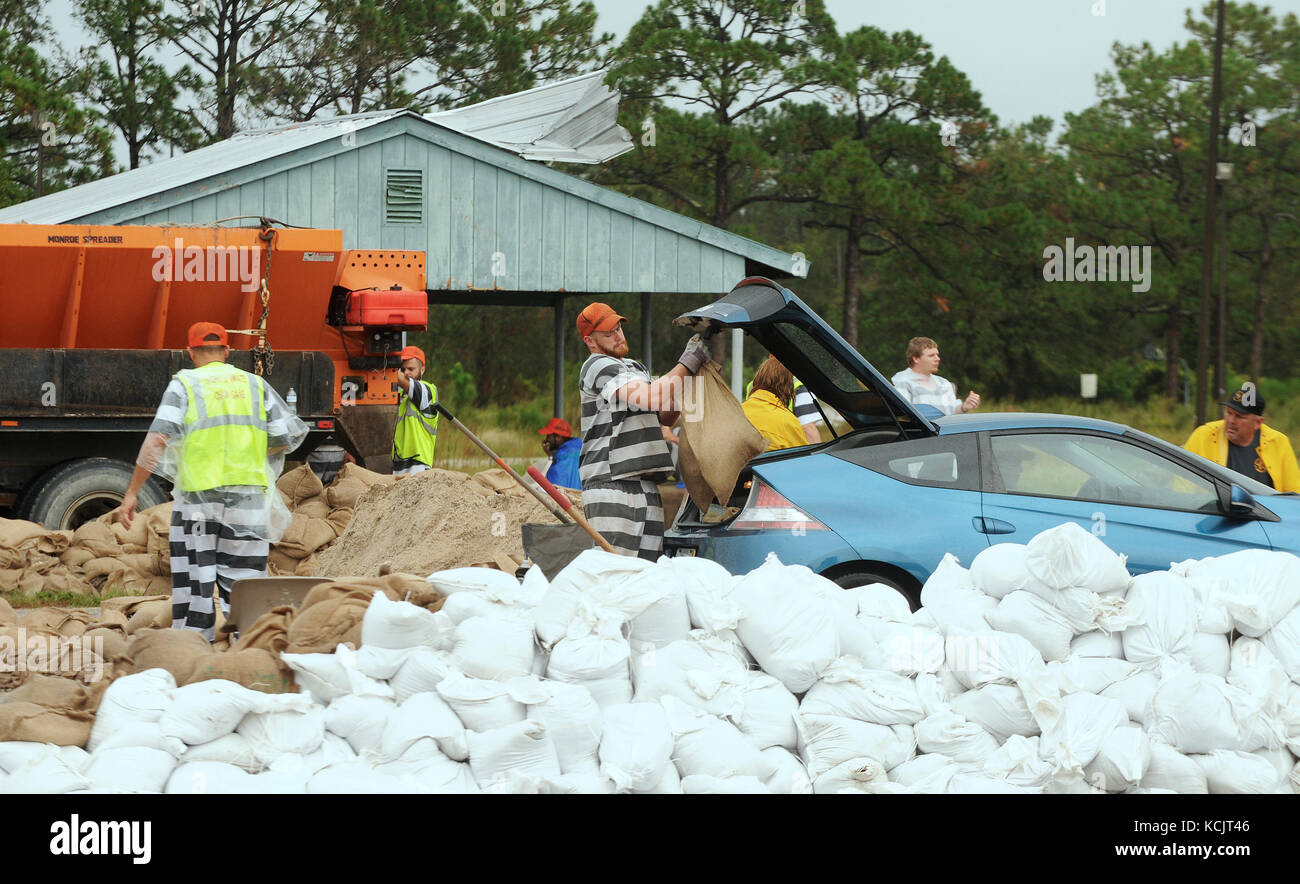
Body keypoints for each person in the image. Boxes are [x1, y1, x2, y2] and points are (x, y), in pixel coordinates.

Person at [112, 322, 306, 640]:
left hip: (198, 503)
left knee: (195, 587)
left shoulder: (185, 384)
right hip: (248, 501)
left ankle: (194, 657)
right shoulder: (255, 385)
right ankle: (251, 656)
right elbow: (283, 439)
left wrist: (132, 493)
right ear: (227, 351)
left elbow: (157, 440)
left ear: (190, 352)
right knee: (246, 588)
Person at [577, 301, 709, 560]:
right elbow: (649, 398)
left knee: (645, 575)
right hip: (611, 483)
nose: (618, 336)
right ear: (590, 341)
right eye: (608, 333)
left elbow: (665, 417)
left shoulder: (635, 368)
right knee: (615, 573)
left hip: (645, 483)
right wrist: (688, 361)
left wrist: (683, 383)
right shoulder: (597, 366)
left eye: (618, 329)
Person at [1184, 383, 1300, 491]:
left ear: (1258, 423)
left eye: (1239, 416)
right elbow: (1182, 485)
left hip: (1265, 511)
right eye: (1229, 413)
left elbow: (1294, 493)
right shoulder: (1203, 436)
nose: (1231, 421)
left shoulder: (1278, 442)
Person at [890, 336, 981, 416]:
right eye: (931, 355)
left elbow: (951, 411)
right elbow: (905, 415)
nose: (937, 358)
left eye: (937, 355)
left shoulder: (943, 383)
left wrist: (964, 407)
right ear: (916, 359)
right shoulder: (902, 381)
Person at [742, 356, 810, 451]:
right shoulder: (789, 423)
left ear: (758, 378)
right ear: (787, 386)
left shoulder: (735, 413)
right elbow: (804, 458)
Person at [392, 344, 439, 476]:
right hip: (396, 466)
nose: (406, 373)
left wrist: (386, 368)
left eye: (411, 369)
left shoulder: (428, 391)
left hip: (418, 466)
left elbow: (401, 379)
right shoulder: (400, 399)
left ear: (422, 370)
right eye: (403, 369)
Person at [744, 370, 822, 443]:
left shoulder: (753, 384)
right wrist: (818, 456)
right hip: (787, 450)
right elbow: (808, 428)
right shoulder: (798, 385)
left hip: (756, 448)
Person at [537, 417, 582, 489]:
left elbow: (553, 487)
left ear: (558, 437)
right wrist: (550, 455)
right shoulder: (579, 448)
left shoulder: (563, 455)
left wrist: (550, 458)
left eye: (548, 436)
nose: (546, 439)